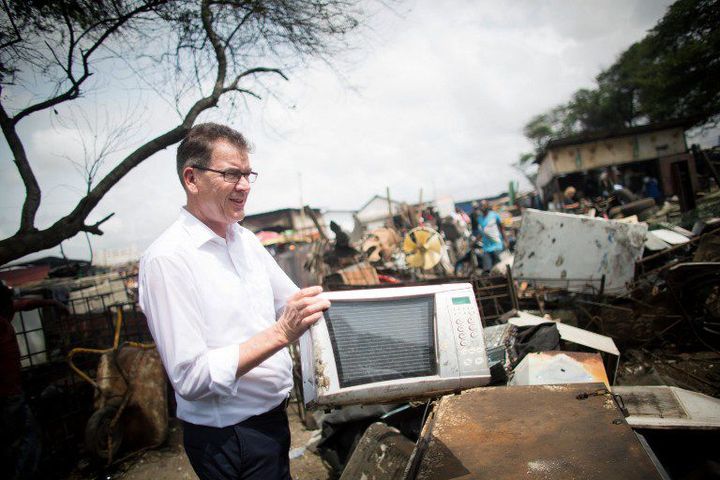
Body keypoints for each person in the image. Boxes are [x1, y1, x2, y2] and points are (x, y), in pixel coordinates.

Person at [138, 123, 330, 480]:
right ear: (192, 178)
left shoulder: (244, 241)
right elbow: (191, 377)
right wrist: (281, 333)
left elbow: (294, 302)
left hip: (271, 421)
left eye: (247, 174)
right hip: (229, 437)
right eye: (230, 174)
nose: (244, 186)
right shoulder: (167, 260)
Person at [1, 281, 67, 480]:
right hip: (8, 396)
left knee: (18, 440)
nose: (13, 306)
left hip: (12, 393)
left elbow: (25, 304)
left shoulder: (4, 314)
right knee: (28, 438)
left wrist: (51, 303)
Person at [476, 200, 507, 273]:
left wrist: (506, 241)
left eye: (483, 206)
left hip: (497, 246)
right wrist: (474, 242)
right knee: (487, 270)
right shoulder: (479, 219)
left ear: (487, 206)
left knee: (499, 268)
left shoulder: (494, 215)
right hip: (486, 248)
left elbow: (501, 228)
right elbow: (482, 233)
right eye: (481, 206)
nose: (482, 208)